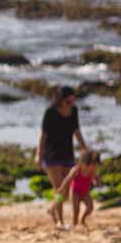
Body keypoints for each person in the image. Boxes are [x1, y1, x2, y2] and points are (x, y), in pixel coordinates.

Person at [36, 86, 86, 230]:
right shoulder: (50, 112)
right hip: (51, 155)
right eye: (68, 102)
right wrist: (38, 155)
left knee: (65, 191)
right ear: (60, 100)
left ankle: (53, 209)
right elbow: (43, 135)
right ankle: (60, 221)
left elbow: (77, 130)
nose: (71, 104)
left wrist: (84, 148)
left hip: (68, 154)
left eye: (73, 101)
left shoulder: (74, 111)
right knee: (59, 188)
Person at [61, 148, 100, 230]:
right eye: (92, 164)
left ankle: (82, 220)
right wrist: (62, 188)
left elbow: (95, 178)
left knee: (90, 207)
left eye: (95, 165)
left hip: (85, 192)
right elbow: (67, 179)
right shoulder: (76, 170)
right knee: (76, 210)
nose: (93, 167)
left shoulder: (92, 171)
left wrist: (96, 182)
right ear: (84, 162)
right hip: (75, 192)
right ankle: (75, 225)